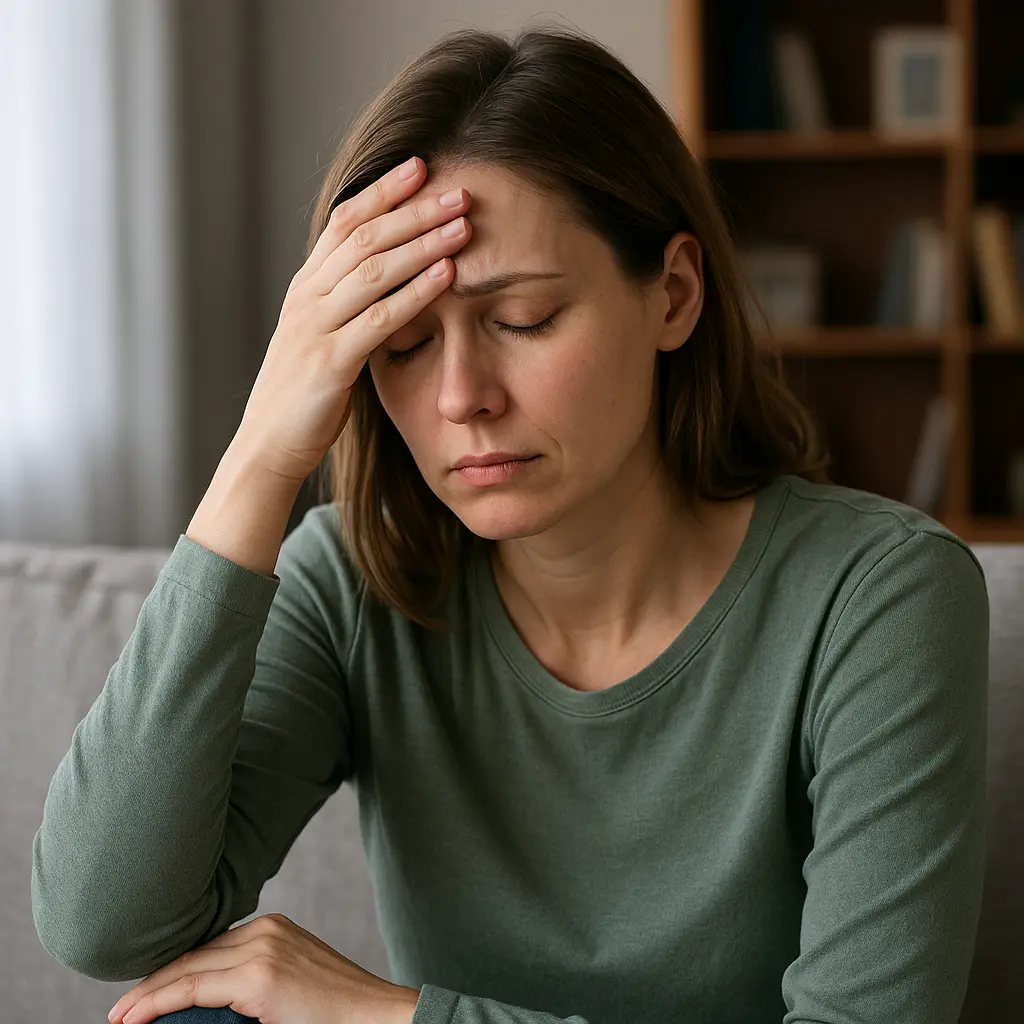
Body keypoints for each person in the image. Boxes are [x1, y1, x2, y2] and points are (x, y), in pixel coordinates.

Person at [32, 21, 989, 1024]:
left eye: (522, 320)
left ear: (672, 295)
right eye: (403, 342)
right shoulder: (353, 586)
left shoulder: (877, 595)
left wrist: (393, 1016)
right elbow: (105, 924)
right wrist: (261, 453)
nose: (461, 397)